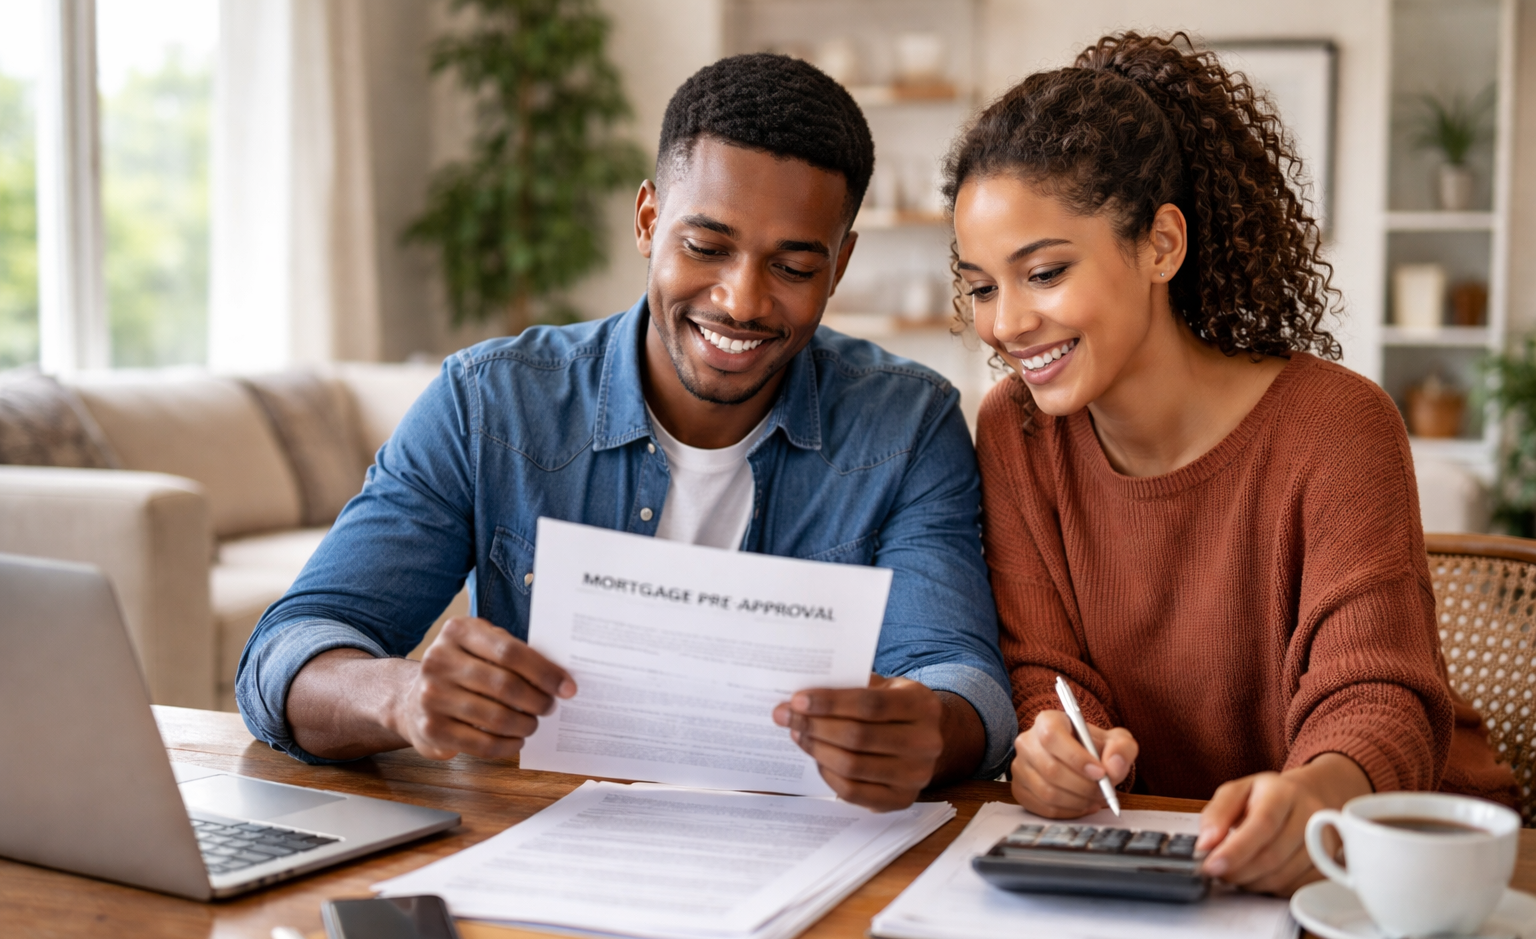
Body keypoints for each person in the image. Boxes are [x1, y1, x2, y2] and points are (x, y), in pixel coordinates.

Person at [236, 53, 1017, 811]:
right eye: (705, 247)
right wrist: (400, 696)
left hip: (800, 859)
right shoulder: (490, 402)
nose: (742, 301)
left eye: (793, 268)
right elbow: (286, 652)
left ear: (839, 266)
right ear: (648, 220)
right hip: (541, 841)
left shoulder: (908, 423)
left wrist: (929, 728)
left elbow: (959, 678)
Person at [947, 32, 1519, 893]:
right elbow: (1049, 669)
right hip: (1170, 857)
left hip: (1396, 858)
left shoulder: (1336, 425)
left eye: (1046, 273)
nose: (1006, 324)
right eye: (983, 287)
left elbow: (1380, 698)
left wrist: (1314, 796)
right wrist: (1060, 749)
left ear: (1161, 246)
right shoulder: (1015, 432)